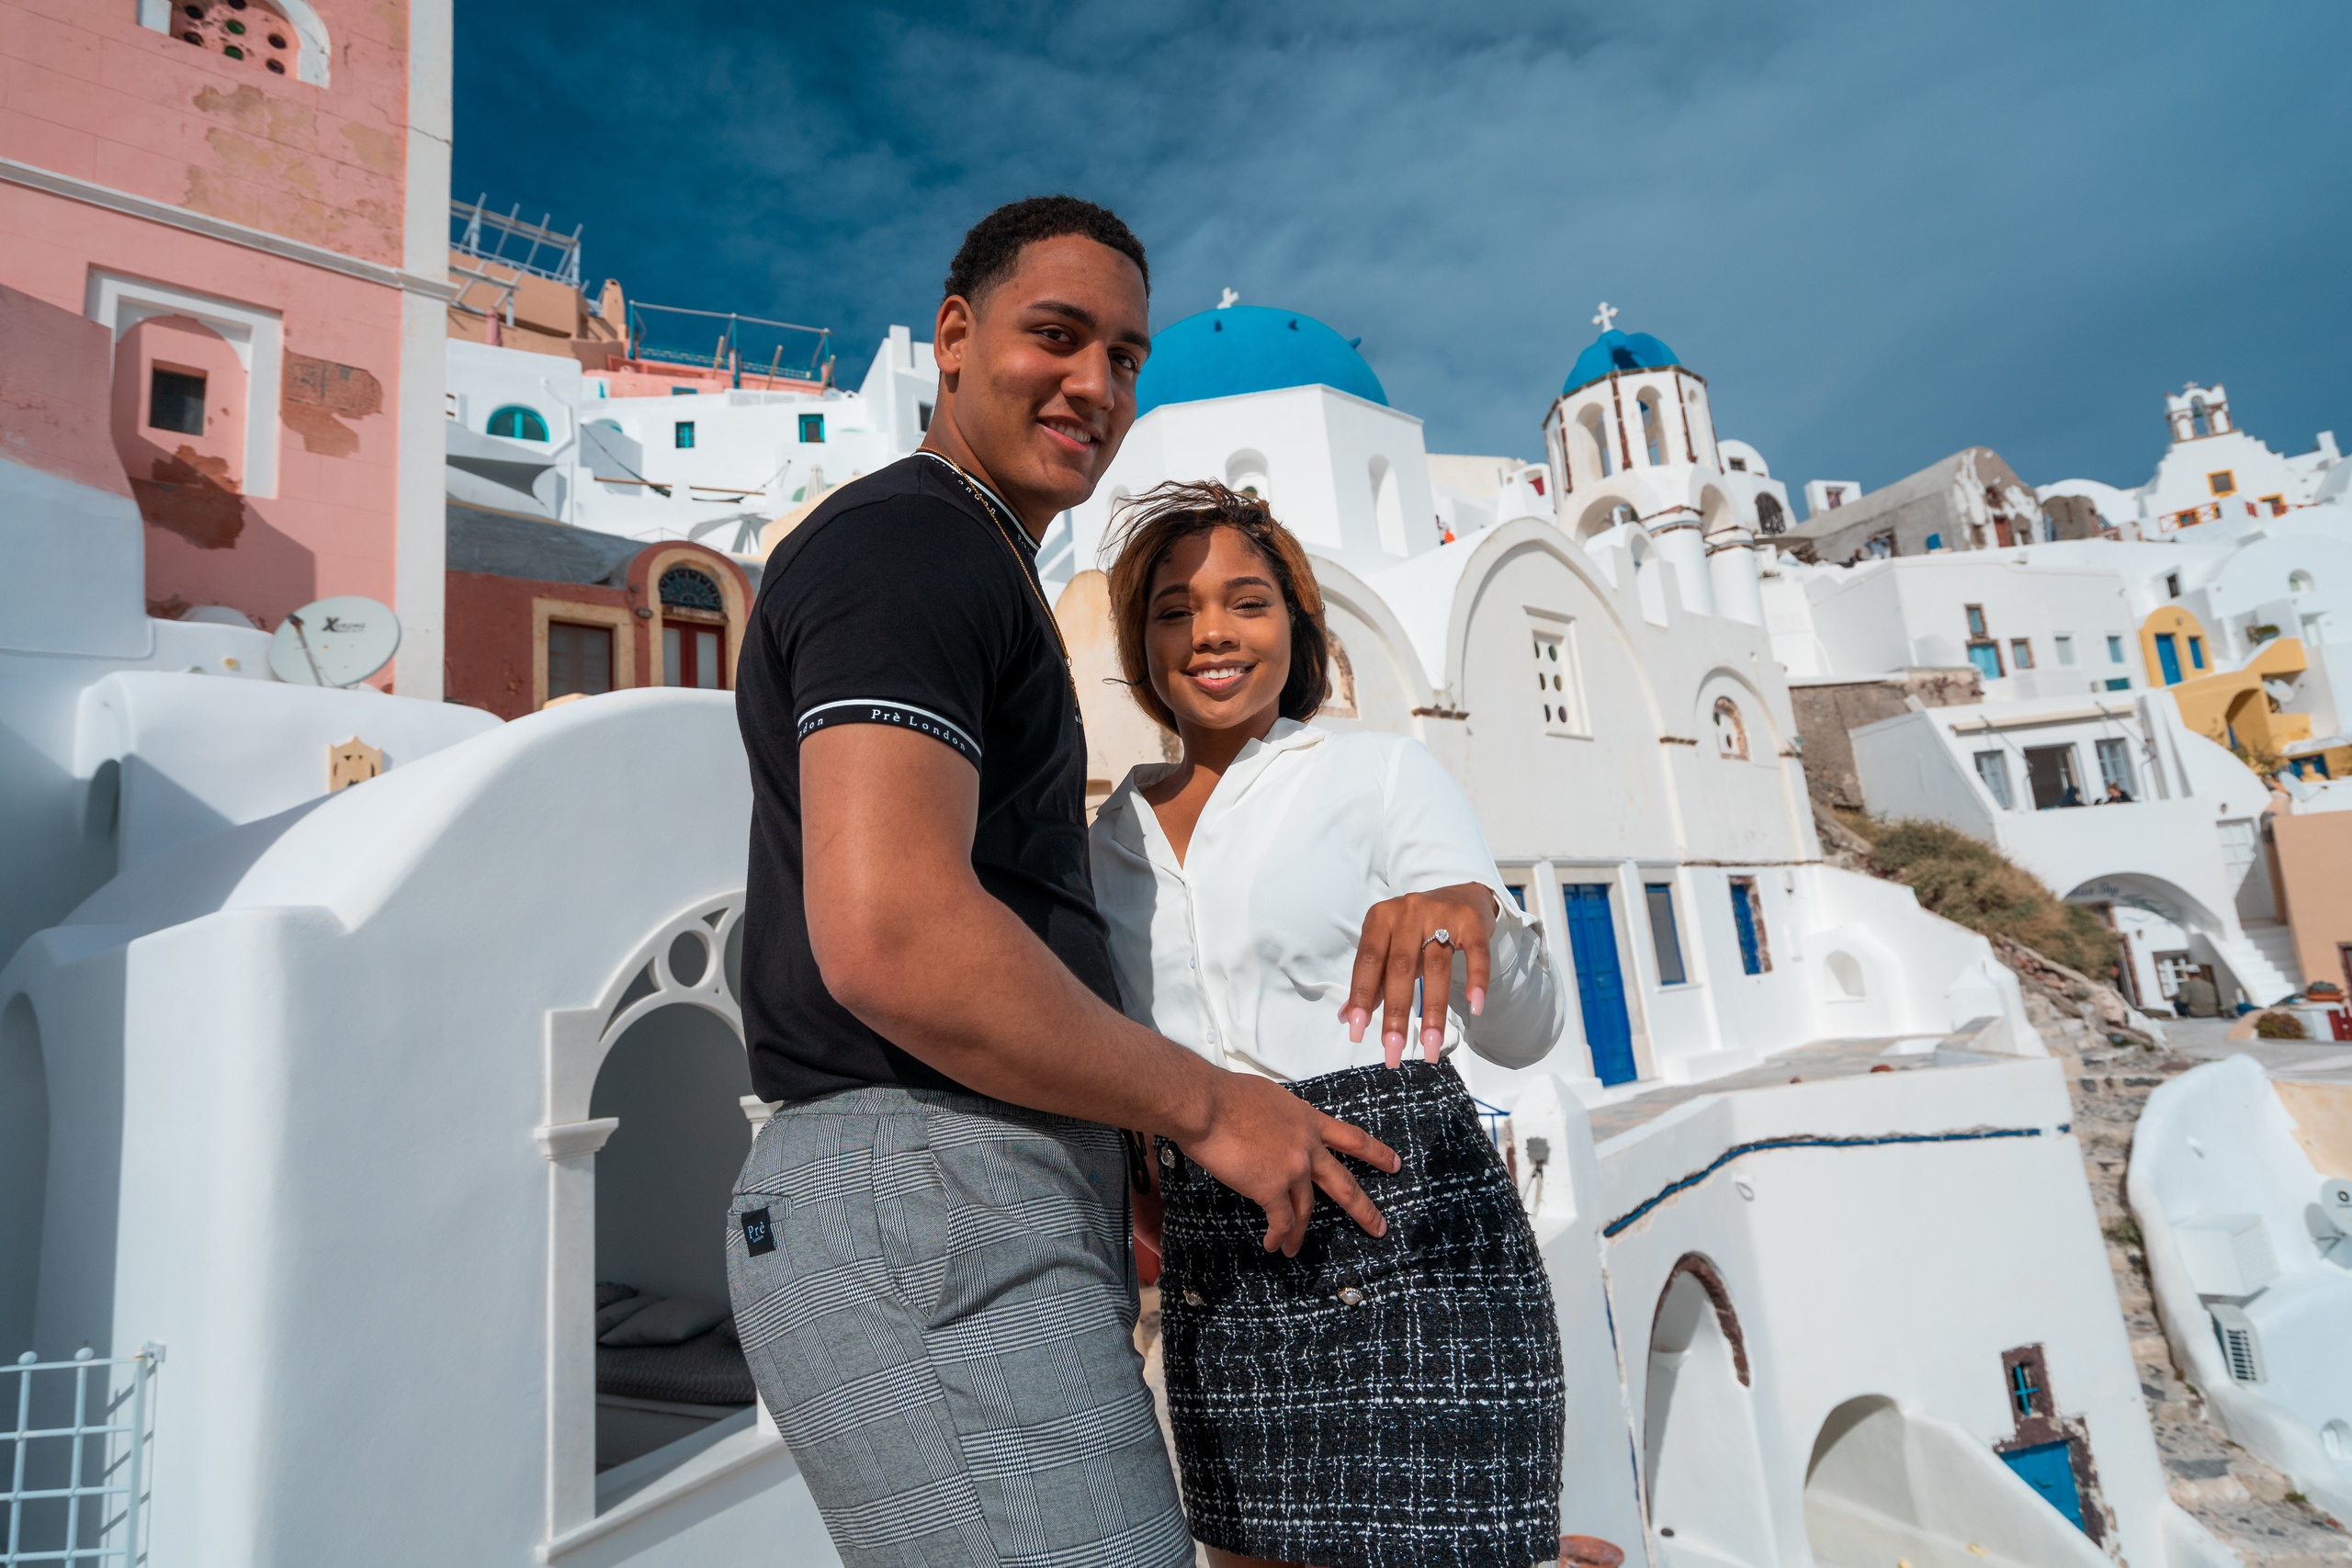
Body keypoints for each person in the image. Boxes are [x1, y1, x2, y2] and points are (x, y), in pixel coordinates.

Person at [727, 198, 1408, 1568]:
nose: (1096, 384)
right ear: (957, 336)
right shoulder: (912, 544)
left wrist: (1104, 1127)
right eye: (1057, 335)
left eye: (1126, 355)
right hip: (925, 1185)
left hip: (956, 1184)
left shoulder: (965, 558)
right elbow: (894, 935)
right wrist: (1203, 1102)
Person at [1090, 481, 1569, 1568]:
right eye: (1173, 610)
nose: (1210, 632)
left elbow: (1523, 1035)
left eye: (1246, 602)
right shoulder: (1106, 840)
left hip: (1411, 1238)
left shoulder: (1380, 772)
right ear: (1142, 645)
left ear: (1295, 631)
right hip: (1223, 1257)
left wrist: (1479, 916)